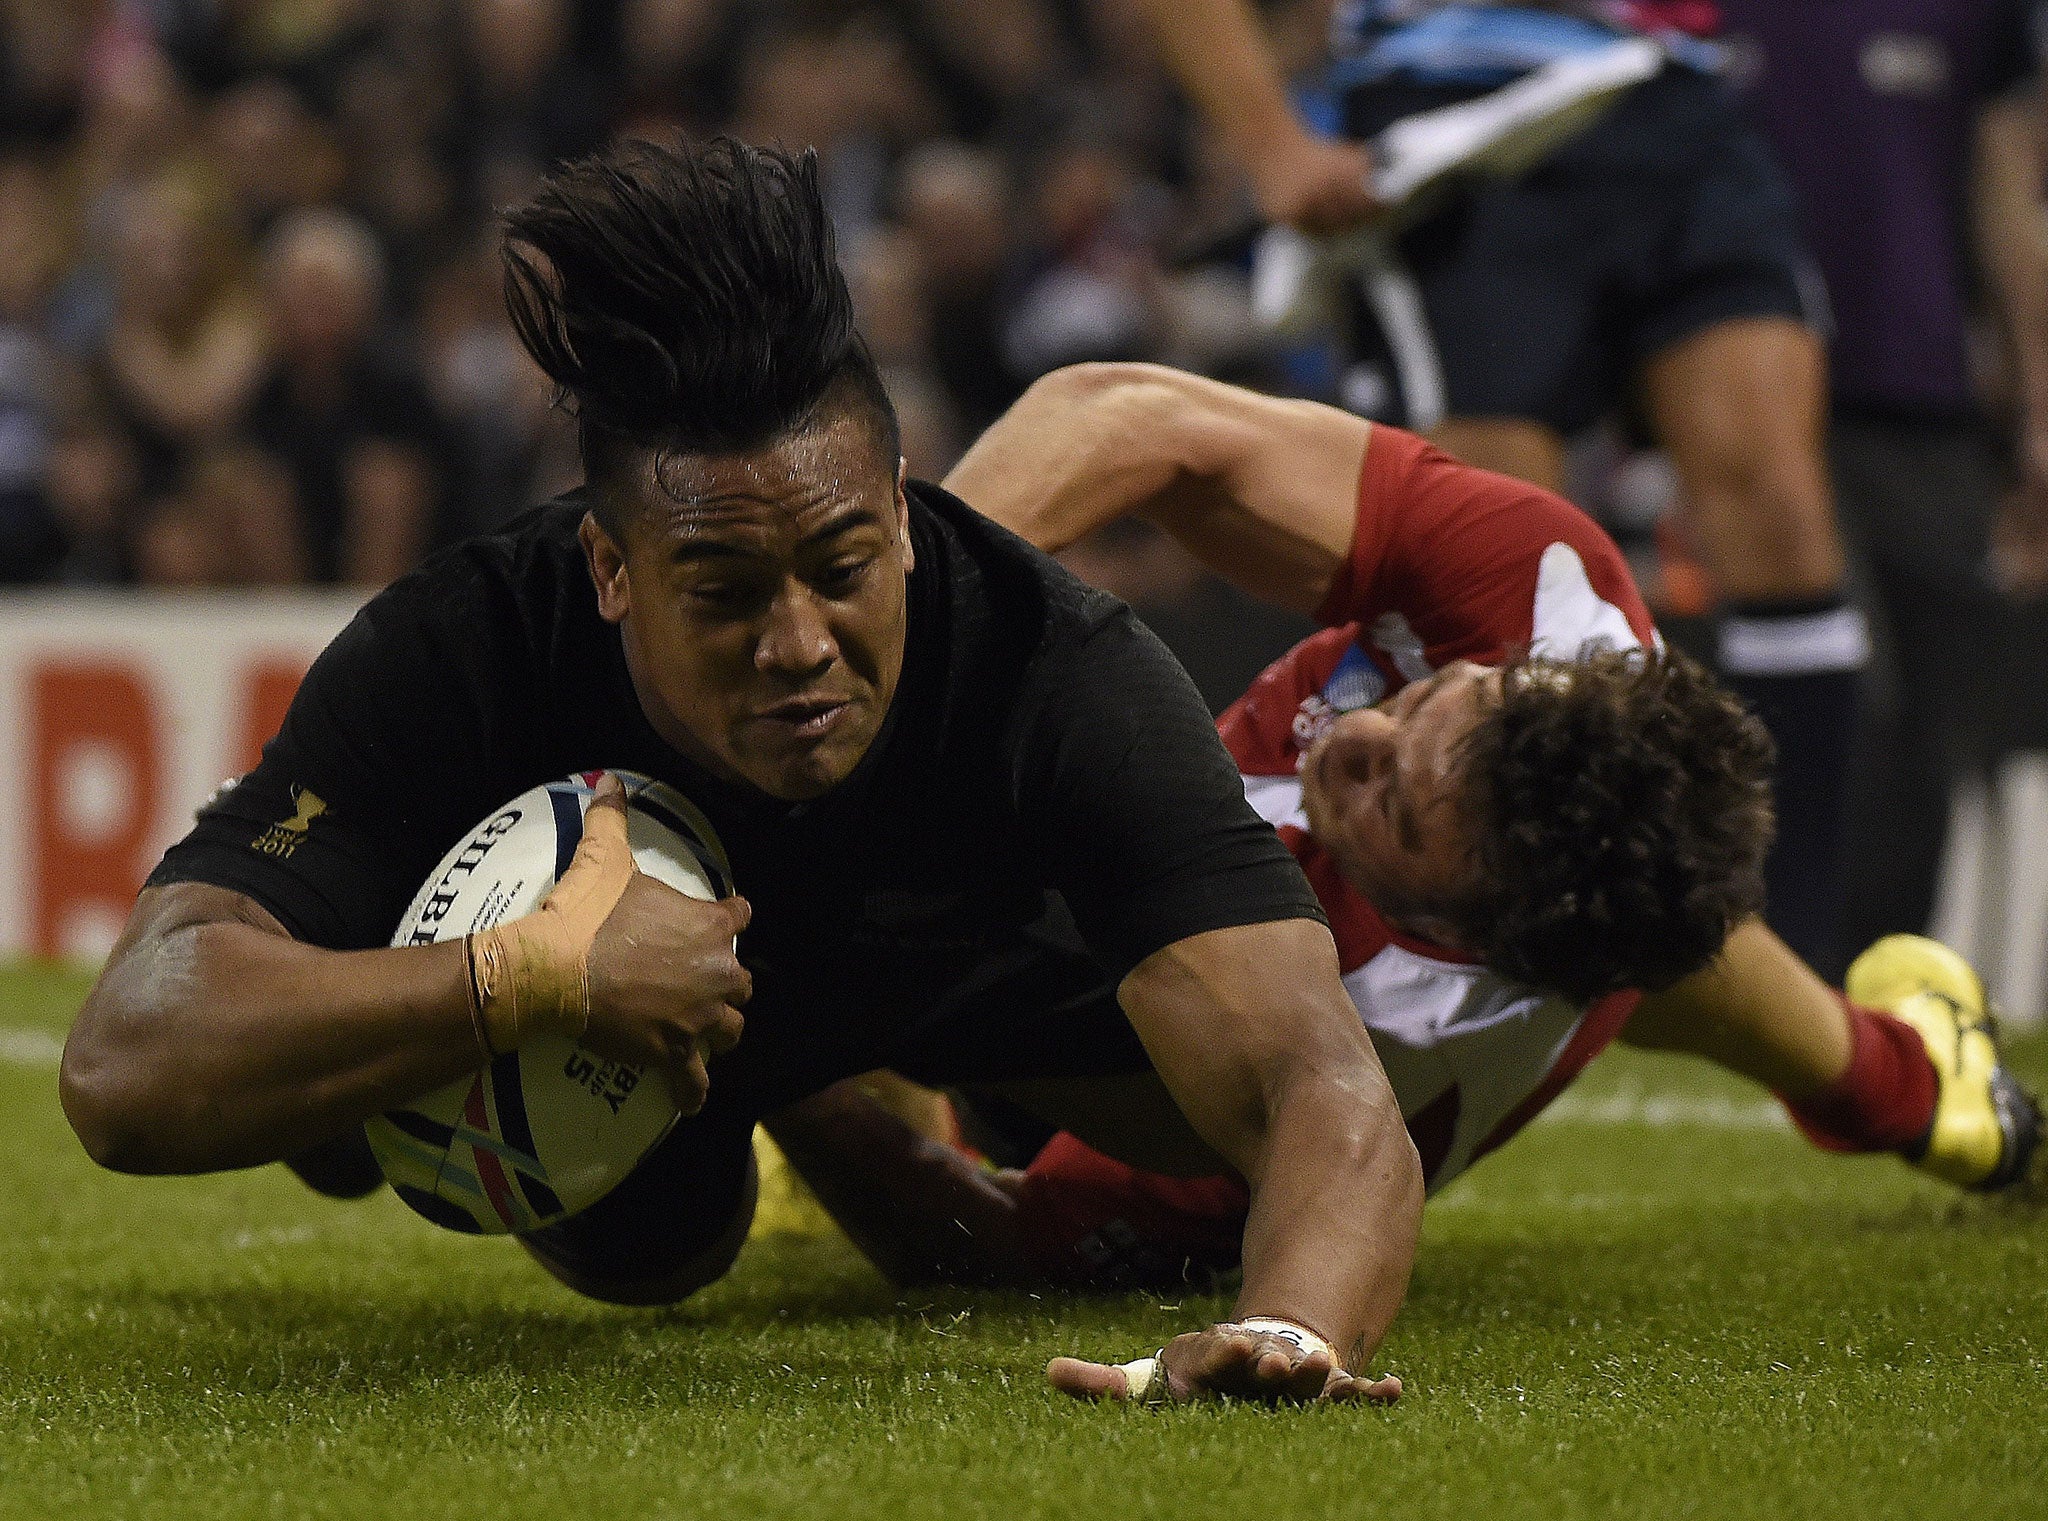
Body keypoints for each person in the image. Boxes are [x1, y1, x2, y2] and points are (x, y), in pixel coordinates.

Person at [57, 138, 1423, 1407]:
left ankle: (832, 1073)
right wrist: (531, 974)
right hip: (618, 1053)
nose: (797, 646)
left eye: (843, 569)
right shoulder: (465, 648)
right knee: (653, 1256)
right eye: (719, 590)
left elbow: (1326, 1084)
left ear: (899, 508)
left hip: (967, 989)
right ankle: (754, 1080)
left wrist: (1294, 1331)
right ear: (609, 568)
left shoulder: (1056, 669)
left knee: (1189, 1127)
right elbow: (125, 1065)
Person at [754, 365, 2039, 1382]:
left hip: (1205, 991)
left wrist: (791, 1070)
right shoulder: (1538, 593)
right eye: (1430, 700)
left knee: (929, 981)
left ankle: (1908, 1087)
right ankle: (1917, 1086)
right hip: (1566, 902)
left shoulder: (1382, 1044)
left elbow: (980, 1237)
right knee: (1683, 937)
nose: (1355, 734)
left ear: (1451, 929)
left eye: (1390, 805)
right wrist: (902, 645)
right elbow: (1128, 418)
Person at [1128, 0, 1869, 979]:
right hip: (1457, 114)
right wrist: (1268, 141)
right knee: (1480, 567)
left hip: (1671, 91)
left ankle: (1790, 959)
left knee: (1780, 528)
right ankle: (1409, 945)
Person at [1718, 0, 2048, 961]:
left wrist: (2035, 405)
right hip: (1750, 395)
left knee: (1932, 728)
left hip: (1925, 397)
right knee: (1847, 693)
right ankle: (1787, 965)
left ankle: (1878, 984)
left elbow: (2004, 188)